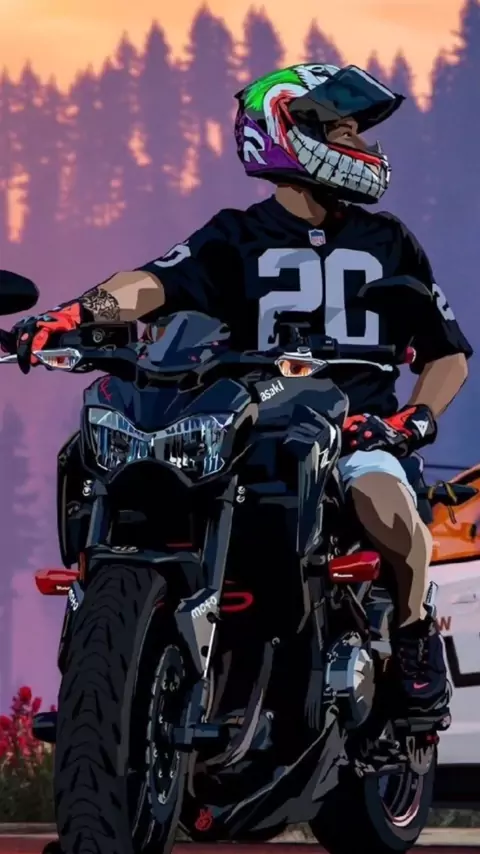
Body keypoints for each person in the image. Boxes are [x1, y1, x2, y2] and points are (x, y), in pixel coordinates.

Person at [12, 63, 472, 725]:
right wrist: (74, 314)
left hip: (356, 430)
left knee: (381, 492)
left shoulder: (389, 240)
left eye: (357, 130)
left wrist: (412, 421)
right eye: (342, 129)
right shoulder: (233, 235)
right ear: (291, 131)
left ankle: (412, 631)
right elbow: (149, 283)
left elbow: (446, 355)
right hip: (253, 426)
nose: (361, 143)